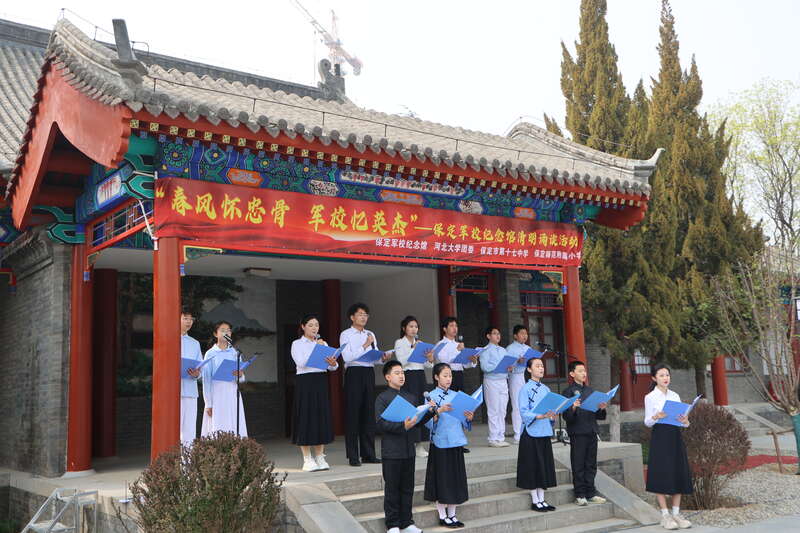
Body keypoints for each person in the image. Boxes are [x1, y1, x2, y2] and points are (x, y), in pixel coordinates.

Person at [375, 360, 437, 533]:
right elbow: (380, 424)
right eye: (397, 373)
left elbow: (417, 422)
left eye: (402, 372)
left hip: (409, 450)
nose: (401, 376)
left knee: (407, 488)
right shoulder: (382, 398)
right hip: (392, 451)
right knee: (392, 489)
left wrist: (429, 412)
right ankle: (393, 524)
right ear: (388, 377)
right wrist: (402, 426)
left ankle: (407, 523)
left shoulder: (410, 397)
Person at [340, 302, 392, 467]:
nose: (364, 318)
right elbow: (347, 357)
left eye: (366, 315)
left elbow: (374, 357)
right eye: (360, 314)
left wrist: (382, 358)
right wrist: (364, 345)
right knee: (353, 414)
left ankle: (369, 454)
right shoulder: (346, 334)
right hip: (354, 373)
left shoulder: (370, 334)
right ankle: (353, 456)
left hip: (368, 373)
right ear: (352, 317)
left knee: (368, 414)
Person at [424, 363, 473, 529]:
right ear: (436, 377)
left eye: (450, 375)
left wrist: (468, 418)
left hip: (456, 440)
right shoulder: (430, 396)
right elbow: (427, 423)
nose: (448, 379)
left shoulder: (457, 395)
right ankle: (442, 515)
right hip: (441, 441)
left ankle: (452, 514)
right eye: (445, 375)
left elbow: (463, 421)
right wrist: (438, 411)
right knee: (442, 480)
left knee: (455, 479)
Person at [644, 364, 693, 530]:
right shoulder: (650, 397)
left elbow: (682, 420)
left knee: (678, 471)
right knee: (661, 473)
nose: (665, 378)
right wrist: (656, 416)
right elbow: (647, 422)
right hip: (660, 437)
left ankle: (676, 514)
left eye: (667, 375)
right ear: (654, 378)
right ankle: (665, 515)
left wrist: (685, 421)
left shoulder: (675, 395)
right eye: (661, 375)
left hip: (675, 436)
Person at [291, 314, 339, 472]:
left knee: (320, 417)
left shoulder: (323, 343)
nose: (314, 328)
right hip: (305, 382)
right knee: (305, 417)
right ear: (303, 327)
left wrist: (333, 363)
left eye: (316, 325)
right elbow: (301, 363)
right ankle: (307, 459)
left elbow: (333, 367)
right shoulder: (297, 344)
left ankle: (320, 456)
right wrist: (316, 348)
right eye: (310, 325)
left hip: (320, 381)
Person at [561, 360, 607, 506]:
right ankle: (580, 494)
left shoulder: (590, 391)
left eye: (584, 371)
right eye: (580, 371)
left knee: (591, 464)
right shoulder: (568, 392)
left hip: (591, 430)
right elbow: (566, 416)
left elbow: (599, 415)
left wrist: (601, 408)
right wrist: (573, 408)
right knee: (578, 463)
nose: (583, 373)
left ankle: (591, 492)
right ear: (572, 373)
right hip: (578, 432)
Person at [516, 357, 558, 512]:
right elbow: (523, 412)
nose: (541, 368)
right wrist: (540, 416)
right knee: (532, 466)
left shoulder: (546, 389)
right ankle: (535, 500)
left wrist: (552, 416)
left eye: (542, 366)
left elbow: (550, 410)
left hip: (544, 431)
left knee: (543, 466)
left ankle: (542, 499)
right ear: (529, 369)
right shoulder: (525, 389)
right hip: (531, 432)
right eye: (537, 366)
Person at [394, 315, 435, 458]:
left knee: (422, 408)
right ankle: (410, 442)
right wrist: (413, 348)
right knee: (410, 409)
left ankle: (420, 444)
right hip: (408, 376)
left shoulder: (419, 343)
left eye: (416, 327)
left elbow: (428, 365)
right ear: (404, 328)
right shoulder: (399, 342)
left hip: (420, 376)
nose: (414, 329)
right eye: (411, 326)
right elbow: (401, 361)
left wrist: (430, 359)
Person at [200, 321, 247, 437]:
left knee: (235, 424)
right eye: (222, 330)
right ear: (215, 334)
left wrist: (240, 375)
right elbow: (206, 380)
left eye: (228, 331)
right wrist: (208, 404)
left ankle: (236, 447)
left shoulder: (235, 353)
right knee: (218, 426)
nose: (226, 333)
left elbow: (241, 378)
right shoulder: (210, 353)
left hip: (232, 394)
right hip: (217, 395)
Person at [479, 326, 514, 447]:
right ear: (488, 336)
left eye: (498, 333)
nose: (498, 336)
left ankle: (500, 437)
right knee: (493, 409)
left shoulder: (504, 350)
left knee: (502, 410)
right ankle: (493, 438)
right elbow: (484, 367)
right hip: (491, 381)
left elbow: (508, 366)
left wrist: (509, 368)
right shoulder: (485, 350)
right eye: (494, 333)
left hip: (503, 381)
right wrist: (498, 366)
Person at [179, 309, 203, 446]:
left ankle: (187, 459)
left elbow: (200, 368)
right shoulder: (168, 338)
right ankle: (172, 459)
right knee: (174, 429)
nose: (189, 322)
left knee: (189, 430)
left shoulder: (195, 343)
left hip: (191, 391)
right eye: (185, 318)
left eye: (191, 319)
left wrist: (197, 373)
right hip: (173, 392)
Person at [505, 325, 530, 444]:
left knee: (525, 404)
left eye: (526, 333)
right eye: (522, 333)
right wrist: (517, 362)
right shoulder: (510, 349)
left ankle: (525, 431)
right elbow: (506, 366)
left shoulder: (528, 348)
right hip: (514, 376)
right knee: (516, 405)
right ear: (515, 336)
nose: (525, 336)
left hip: (525, 376)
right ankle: (517, 434)